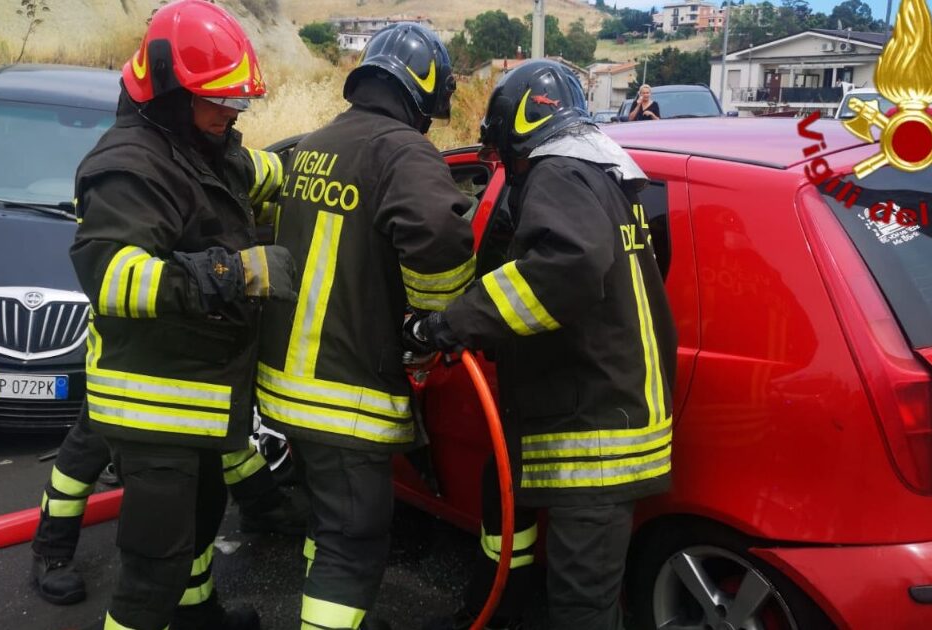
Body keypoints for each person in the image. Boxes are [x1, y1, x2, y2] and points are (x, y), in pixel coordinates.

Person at [408, 59, 678, 630]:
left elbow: (563, 271)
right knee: (503, 501)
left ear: (516, 129)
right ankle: (500, 609)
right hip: (602, 412)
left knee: (583, 606)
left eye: (504, 151)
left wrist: (452, 323)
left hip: (596, 440)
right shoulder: (612, 175)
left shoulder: (559, 172)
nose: (506, 163)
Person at [67, 1, 299, 628]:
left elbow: (267, 174)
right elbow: (108, 276)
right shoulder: (130, 168)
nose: (231, 113)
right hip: (151, 405)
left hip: (193, 397)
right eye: (218, 101)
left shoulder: (199, 145)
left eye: (237, 103)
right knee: (154, 568)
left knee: (197, 530)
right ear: (172, 93)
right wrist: (232, 273)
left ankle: (200, 619)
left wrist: (331, 161)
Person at [256, 22, 474, 630]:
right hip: (347, 393)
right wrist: (434, 320)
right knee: (354, 543)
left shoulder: (315, 143)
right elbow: (438, 234)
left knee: (328, 528)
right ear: (425, 93)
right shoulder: (403, 151)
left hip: (289, 387)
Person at [30, 412, 308, 606]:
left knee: (224, 428)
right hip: (127, 356)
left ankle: (261, 505)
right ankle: (52, 549)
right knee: (93, 437)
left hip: (203, 353)